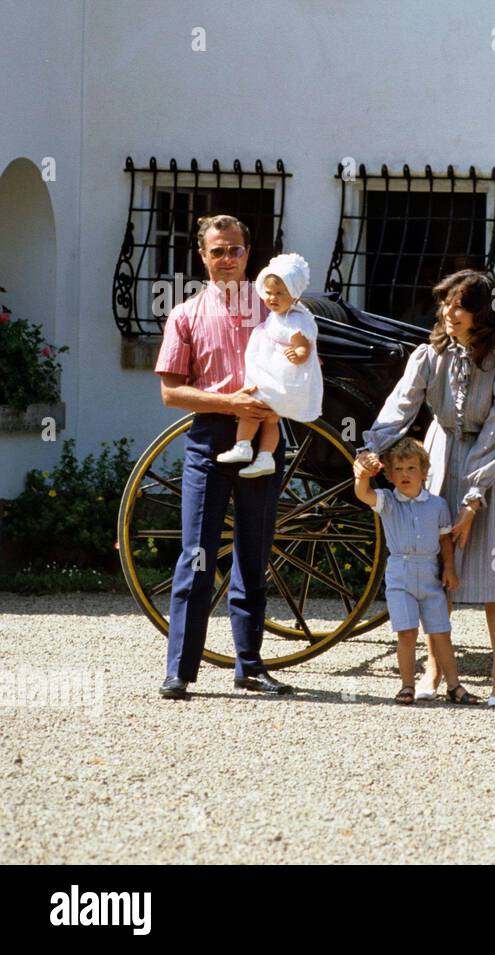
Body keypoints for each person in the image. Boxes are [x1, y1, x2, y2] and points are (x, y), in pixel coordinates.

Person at [357, 270, 495, 707]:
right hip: (440, 454)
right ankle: (434, 667)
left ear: (482, 313)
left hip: (490, 466)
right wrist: (371, 447)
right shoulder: (428, 356)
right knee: (434, 569)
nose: (449, 312)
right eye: (446, 303)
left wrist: (472, 500)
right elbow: (402, 405)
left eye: (460, 305)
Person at [154, 214, 293, 699]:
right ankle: (179, 670)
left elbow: (304, 353)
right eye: (218, 251)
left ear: (248, 253)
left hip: (263, 435)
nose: (228, 259)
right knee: (196, 553)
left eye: (235, 249)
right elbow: (172, 393)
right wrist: (229, 403)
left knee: (253, 550)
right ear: (203, 256)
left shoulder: (275, 308)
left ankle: (249, 665)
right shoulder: (185, 314)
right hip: (211, 437)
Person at [353, 437, 478, 705]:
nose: (405, 475)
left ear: (423, 471)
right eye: (397, 470)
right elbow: (363, 493)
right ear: (389, 474)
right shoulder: (387, 501)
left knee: (441, 632)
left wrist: (449, 569)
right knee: (406, 632)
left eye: (411, 468)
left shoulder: (437, 505)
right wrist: (363, 475)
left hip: (430, 574)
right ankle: (407, 685)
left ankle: (454, 686)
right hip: (401, 574)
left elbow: (445, 539)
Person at [217, 252, 323, 476]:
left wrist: (299, 354)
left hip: (278, 381)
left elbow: (304, 346)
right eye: (269, 293)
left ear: (293, 296)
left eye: (280, 294)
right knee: (270, 420)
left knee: (252, 409)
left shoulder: (296, 319)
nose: (273, 298)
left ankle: (243, 446)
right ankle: (265, 457)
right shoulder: (278, 316)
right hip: (273, 378)